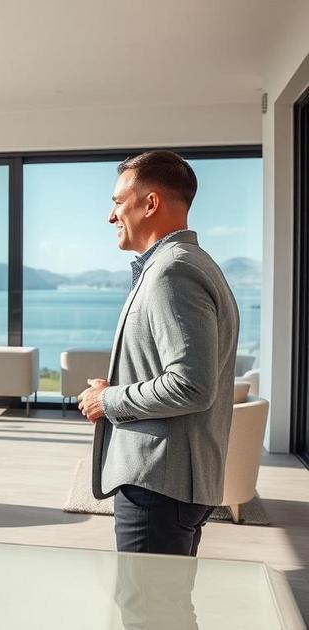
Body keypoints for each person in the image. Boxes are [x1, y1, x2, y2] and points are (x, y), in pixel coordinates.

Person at [77, 151, 239, 556]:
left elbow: (191, 386)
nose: (110, 216)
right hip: (169, 483)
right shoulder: (183, 264)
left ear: (150, 203)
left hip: (156, 484)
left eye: (117, 202)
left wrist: (107, 399)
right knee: (167, 611)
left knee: (146, 613)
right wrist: (118, 386)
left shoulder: (172, 271)